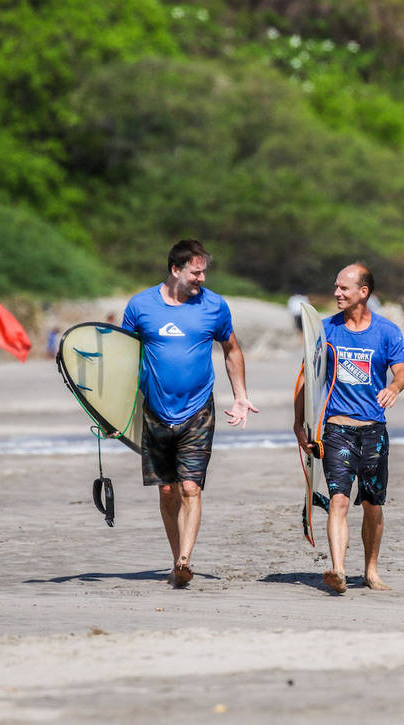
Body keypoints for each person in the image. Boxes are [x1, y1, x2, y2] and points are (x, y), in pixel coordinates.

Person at [122, 239, 258, 588]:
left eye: (203, 272)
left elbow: (231, 349)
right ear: (175, 270)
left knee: (190, 488)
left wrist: (240, 395)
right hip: (154, 411)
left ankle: (185, 559)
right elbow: (122, 358)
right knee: (167, 491)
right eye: (195, 272)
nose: (201, 278)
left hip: (198, 410)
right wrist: (115, 414)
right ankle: (175, 557)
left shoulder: (214, 306)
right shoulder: (140, 306)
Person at [293, 263, 404, 594]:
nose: (336, 293)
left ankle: (370, 570)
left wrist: (395, 388)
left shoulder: (387, 332)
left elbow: (402, 371)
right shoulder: (325, 330)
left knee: (372, 504)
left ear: (363, 292)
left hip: (373, 430)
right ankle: (338, 569)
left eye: (344, 288)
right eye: (336, 287)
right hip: (336, 429)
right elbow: (306, 378)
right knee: (339, 500)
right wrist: (298, 423)